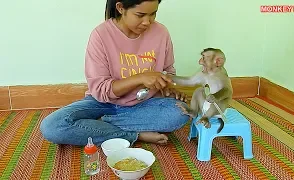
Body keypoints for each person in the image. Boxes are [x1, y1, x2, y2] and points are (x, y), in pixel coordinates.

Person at [40, 0, 190, 146]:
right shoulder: (100, 35)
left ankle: (98, 125)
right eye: (140, 15)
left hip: (144, 104)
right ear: (120, 7)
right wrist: (140, 78)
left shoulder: (161, 33)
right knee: (52, 126)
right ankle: (134, 134)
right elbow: (100, 90)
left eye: (153, 14)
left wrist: (168, 87)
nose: (147, 22)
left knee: (181, 112)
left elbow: (168, 71)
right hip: (103, 103)